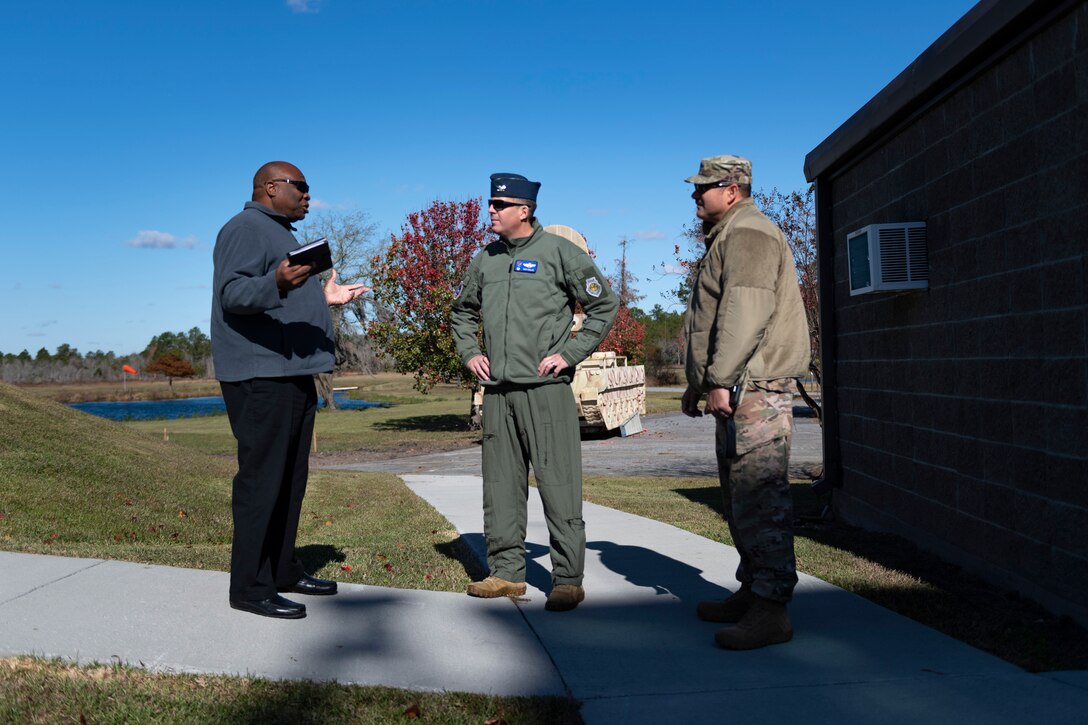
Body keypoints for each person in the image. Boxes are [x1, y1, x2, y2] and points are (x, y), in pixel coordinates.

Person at [451, 173, 618, 612]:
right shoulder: (485, 259)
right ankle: (507, 573)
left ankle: (567, 579)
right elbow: (462, 313)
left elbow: (604, 305)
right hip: (499, 395)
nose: (491, 210)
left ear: (524, 211)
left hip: (546, 392)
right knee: (501, 488)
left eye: (500, 205)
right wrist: (470, 353)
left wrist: (570, 353)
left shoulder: (561, 254)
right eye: (491, 203)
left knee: (559, 485)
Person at [211, 161, 367, 619]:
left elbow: (280, 301)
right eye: (300, 187)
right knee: (262, 481)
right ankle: (249, 586)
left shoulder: (281, 233)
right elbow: (232, 294)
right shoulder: (244, 228)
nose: (307, 195)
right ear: (270, 187)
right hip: (261, 376)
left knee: (290, 481)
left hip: (291, 372)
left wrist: (324, 298)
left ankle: (281, 570)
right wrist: (276, 281)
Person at [680, 155, 811, 649]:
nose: (695, 195)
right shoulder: (728, 234)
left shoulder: (749, 233)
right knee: (740, 497)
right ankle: (754, 592)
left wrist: (719, 378)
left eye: (704, 187)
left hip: (754, 387)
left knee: (760, 497)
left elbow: (745, 314)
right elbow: (714, 320)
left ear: (731, 189)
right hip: (740, 385)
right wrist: (699, 382)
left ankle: (772, 611)